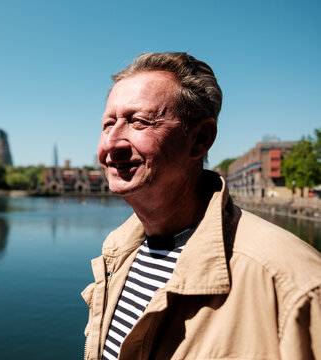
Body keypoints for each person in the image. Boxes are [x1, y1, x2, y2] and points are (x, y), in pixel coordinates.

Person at [82, 52, 321, 360]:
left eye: (138, 122)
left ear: (200, 138)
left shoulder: (294, 284)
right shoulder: (118, 255)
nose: (111, 142)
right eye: (107, 123)